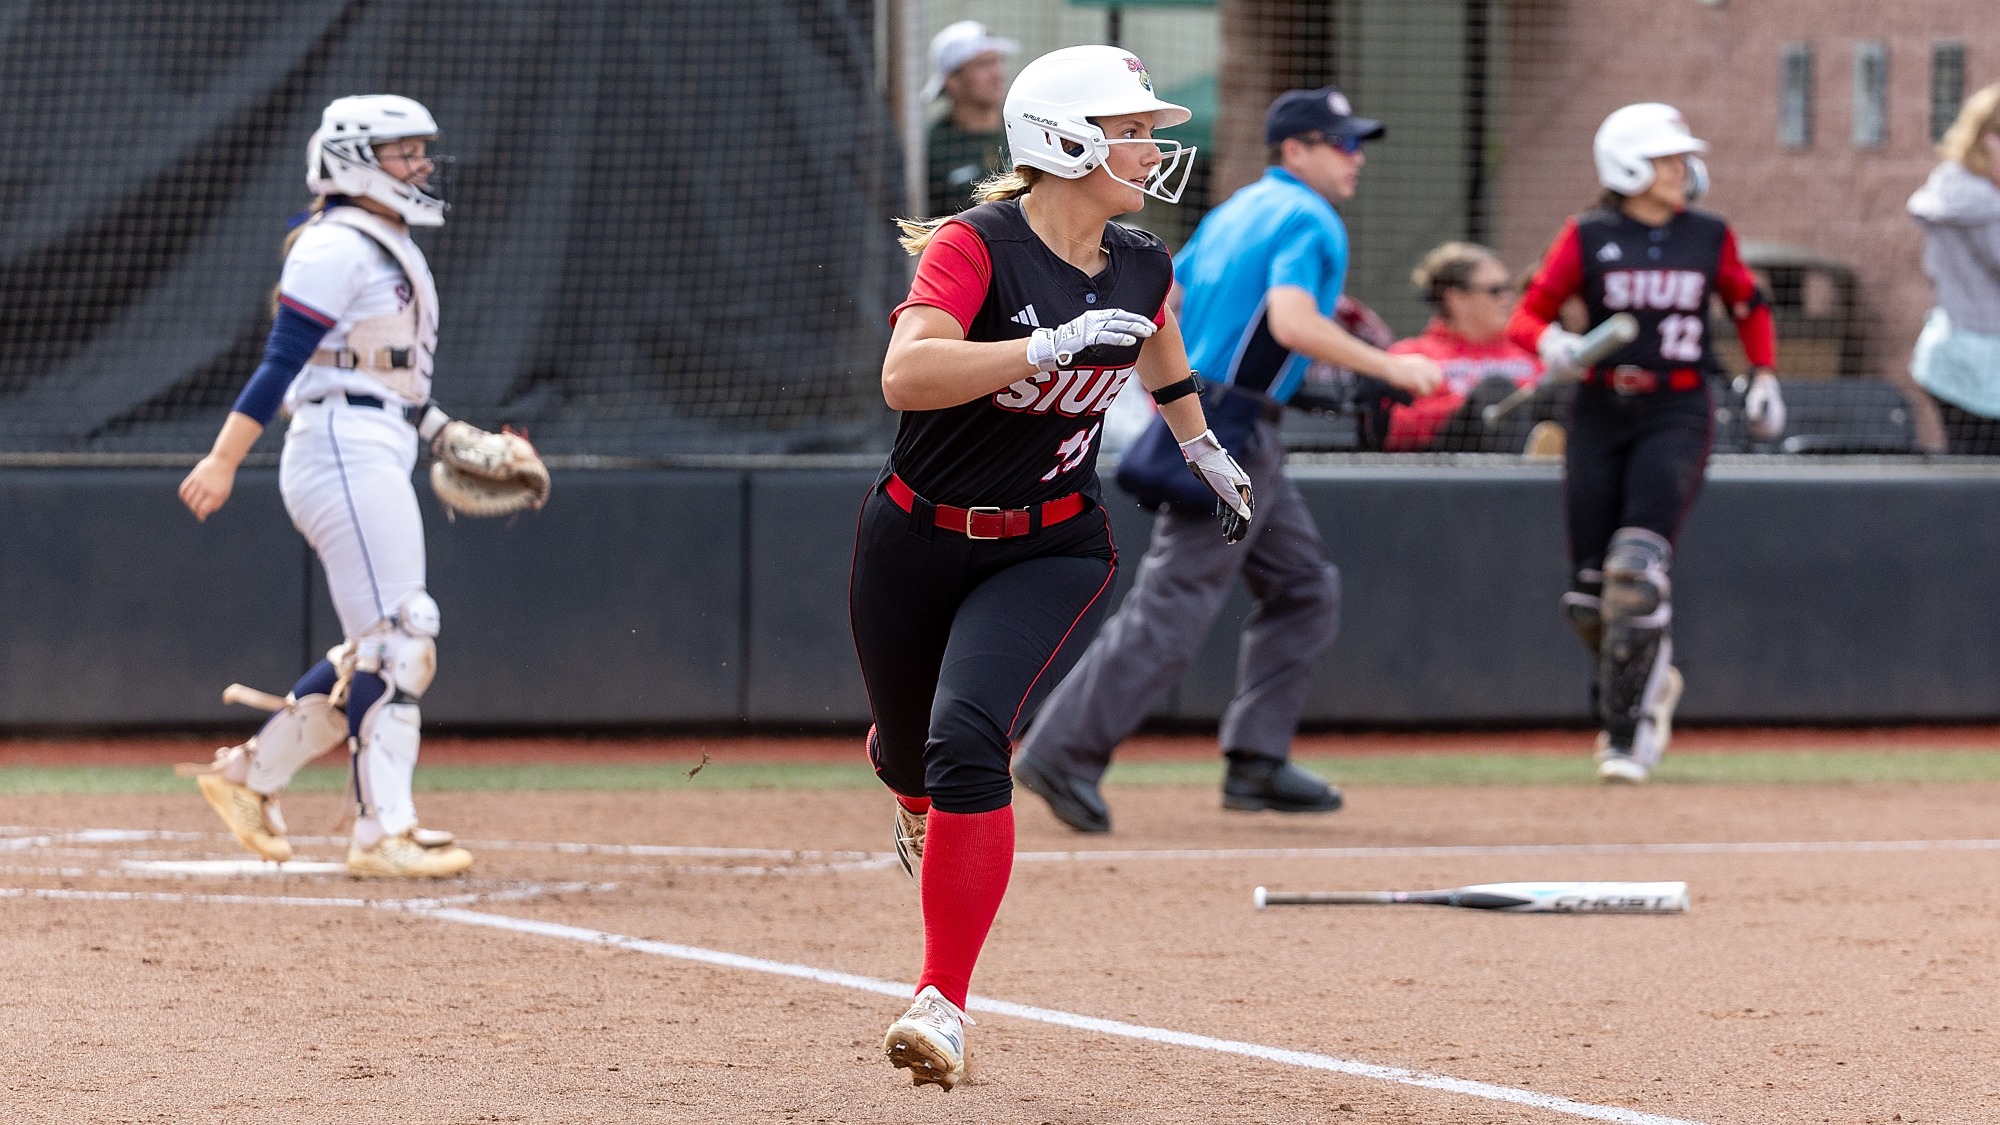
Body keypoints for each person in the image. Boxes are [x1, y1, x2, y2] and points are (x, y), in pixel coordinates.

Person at [855, 45, 1245, 1090]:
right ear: (1062, 139)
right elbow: (905, 376)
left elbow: (1155, 337)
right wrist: (1043, 347)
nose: (1150, 146)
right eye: (1128, 128)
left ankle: (940, 1003)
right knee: (907, 760)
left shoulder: (1139, 257)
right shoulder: (972, 245)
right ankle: (907, 795)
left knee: (966, 741)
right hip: (914, 532)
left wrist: (1199, 440)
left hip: (1052, 540)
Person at [1013, 86, 1441, 834]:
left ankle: (1256, 760)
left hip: (1218, 410)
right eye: (1339, 143)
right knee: (1175, 601)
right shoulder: (1309, 215)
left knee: (1304, 586)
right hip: (1231, 427)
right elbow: (1292, 321)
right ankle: (1062, 749)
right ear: (1296, 150)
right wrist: (1390, 367)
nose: (1355, 157)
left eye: (1354, 142)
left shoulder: (1239, 208)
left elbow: (1169, 300)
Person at [177, 95, 476, 878]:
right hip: (341, 444)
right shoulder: (337, 242)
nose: (419, 165)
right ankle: (385, 831)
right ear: (352, 158)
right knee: (403, 636)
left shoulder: (382, 241)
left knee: (382, 645)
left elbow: (386, 375)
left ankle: (250, 776)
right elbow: (284, 362)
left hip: (370, 436)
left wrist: (445, 433)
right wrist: (223, 457)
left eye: (419, 151)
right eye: (401, 152)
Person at [1505, 102, 1784, 783]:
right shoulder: (1589, 234)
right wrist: (1555, 344)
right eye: (1664, 159)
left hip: (1678, 409)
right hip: (1600, 407)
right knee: (1589, 593)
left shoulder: (1709, 235)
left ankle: (1625, 735)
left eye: (1680, 158)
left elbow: (1748, 304)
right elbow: (1528, 313)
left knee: (1636, 570)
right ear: (1626, 165)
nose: (1680, 170)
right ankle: (1648, 685)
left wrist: (1764, 374)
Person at [1383, 242, 1551, 454]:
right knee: (1495, 391)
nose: (1508, 299)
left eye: (1509, 289)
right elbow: (1393, 427)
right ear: (1456, 298)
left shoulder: (1530, 353)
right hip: (1453, 466)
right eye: (1495, 290)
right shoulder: (1413, 355)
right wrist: (1469, 405)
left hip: (1527, 448)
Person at [1908, 82, 2000, 455]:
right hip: (1977, 369)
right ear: (1989, 141)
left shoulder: (1951, 190)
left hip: (1951, 357)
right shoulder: (1983, 206)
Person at [923, 20, 1018, 217]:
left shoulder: (1022, 131)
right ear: (953, 81)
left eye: (998, 61)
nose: (998, 73)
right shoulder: (931, 147)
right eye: (983, 64)